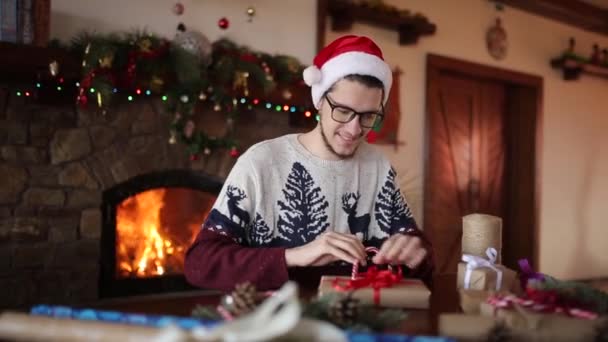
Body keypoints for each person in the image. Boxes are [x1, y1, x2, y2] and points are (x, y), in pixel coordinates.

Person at [184, 35, 433, 292]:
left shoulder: (378, 167)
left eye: (369, 115)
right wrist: (296, 256)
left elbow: (421, 260)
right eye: (344, 111)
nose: (355, 129)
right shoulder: (260, 163)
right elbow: (200, 264)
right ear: (320, 102)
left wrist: (416, 250)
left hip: (357, 321)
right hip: (276, 323)